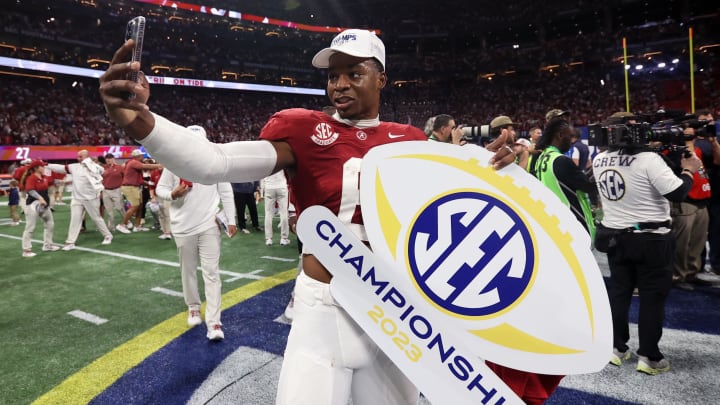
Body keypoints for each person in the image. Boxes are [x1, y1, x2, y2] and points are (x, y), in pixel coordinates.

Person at [99, 29, 515, 405]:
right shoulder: (302, 129)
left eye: (355, 73)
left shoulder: (408, 140)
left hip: (395, 311)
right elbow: (215, 161)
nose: (340, 84)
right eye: (333, 76)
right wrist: (143, 123)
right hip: (325, 307)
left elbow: (466, 205)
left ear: (382, 79)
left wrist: (503, 168)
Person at [593, 116, 702, 375]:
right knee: (652, 298)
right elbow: (677, 192)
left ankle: (617, 348)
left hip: (616, 236)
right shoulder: (648, 160)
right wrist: (689, 170)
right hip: (651, 238)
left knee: (620, 294)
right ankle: (649, 357)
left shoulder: (599, 159)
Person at [156, 125, 237, 341]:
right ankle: (193, 306)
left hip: (209, 225)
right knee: (188, 270)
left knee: (212, 272)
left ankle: (214, 322)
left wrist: (231, 219)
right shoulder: (173, 163)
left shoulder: (215, 162)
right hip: (182, 226)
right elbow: (159, 190)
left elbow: (226, 191)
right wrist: (173, 194)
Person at [534, 119, 596, 237]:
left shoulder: (542, 158)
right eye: (570, 136)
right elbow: (588, 186)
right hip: (573, 223)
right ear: (560, 135)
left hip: (555, 220)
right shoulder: (561, 160)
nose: (571, 141)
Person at [47, 150, 113, 250]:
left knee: (96, 218)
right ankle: (70, 242)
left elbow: (102, 172)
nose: (78, 158)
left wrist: (90, 164)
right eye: (78, 156)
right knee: (75, 219)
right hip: (77, 198)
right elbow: (61, 168)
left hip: (91, 198)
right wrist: (47, 164)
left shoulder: (96, 167)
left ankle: (108, 235)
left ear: (87, 157)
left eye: (80, 157)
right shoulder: (74, 167)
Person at [116, 149, 162, 234]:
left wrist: (149, 183)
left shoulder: (133, 164)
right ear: (137, 156)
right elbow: (146, 166)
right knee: (135, 206)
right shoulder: (134, 162)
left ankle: (137, 226)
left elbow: (140, 180)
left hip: (135, 187)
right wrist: (160, 165)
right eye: (141, 155)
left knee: (140, 206)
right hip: (130, 187)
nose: (142, 157)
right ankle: (122, 225)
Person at [20, 160, 59, 257]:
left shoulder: (44, 177)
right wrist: (40, 198)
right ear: (36, 168)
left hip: (44, 205)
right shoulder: (31, 178)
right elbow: (30, 190)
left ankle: (48, 245)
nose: (44, 168)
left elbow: (52, 182)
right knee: (30, 227)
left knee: (50, 224)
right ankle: (26, 250)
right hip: (33, 205)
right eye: (42, 166)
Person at [261, 170, 290, 246]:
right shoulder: (282, 159)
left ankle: (269, 239)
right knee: (284, 212)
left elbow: (262, 174)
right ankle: (284, 238)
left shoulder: (266, 160)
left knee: (268, 213)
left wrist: (262, 189)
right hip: (281, 186)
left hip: (269, 187)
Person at [101, 153, 126, 230]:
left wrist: (123, 189)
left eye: (110, 158)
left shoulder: (119, 167)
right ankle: (111, 227)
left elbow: (125, 177)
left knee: (120, 208)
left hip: (117, 190)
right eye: (107, 158)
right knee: (109, 211)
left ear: (113, 159)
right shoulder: (102, 168)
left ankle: (126, 222)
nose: (108, 159)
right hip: (106, 190)